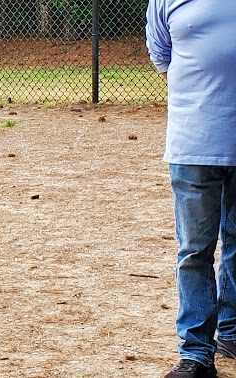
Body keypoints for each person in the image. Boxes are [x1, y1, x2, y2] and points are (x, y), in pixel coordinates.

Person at [145, 1, 236, 377]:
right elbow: (161, 57)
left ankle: (231, 333)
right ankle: (197, 354)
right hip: (194, 141)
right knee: (195, 251)